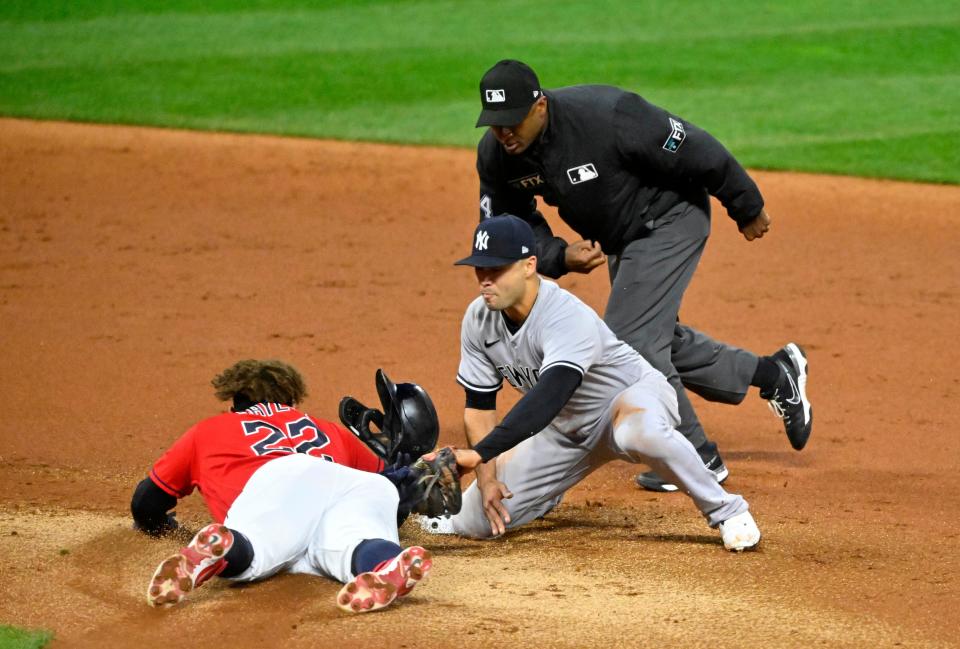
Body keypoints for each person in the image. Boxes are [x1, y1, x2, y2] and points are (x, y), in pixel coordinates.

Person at [472, 59, 812, 492]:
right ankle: (773, 374)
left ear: (540, 105)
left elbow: (693, 145)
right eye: (495, 123)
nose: (503, 133)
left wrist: (745, 203)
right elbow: (506, 225)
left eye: (512, 121)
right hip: (622, 238)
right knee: (651, 337)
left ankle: (695, 456)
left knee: (630, 339)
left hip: (670, 217)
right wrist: (558, 255)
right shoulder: (498, 155)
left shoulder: (606, 115)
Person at [423, 215, 760, 551]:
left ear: (529, 266)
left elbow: (550, 396)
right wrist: (487, 475)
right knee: (476, 523)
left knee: (641, 434)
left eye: (496, 270)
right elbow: (480, 407)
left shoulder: (564, 315)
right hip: (564, 430)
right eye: (479, 270)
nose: (485, 280)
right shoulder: (478, 319)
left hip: (627, 401)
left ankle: (728, 511)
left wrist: (479, 453)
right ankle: (543, 494)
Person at [130, 359, 433, 613]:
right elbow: (388, 496)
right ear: (290, 399)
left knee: (258, 550)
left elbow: (146, 504)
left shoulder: (208, 430)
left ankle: (222, 549)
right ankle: (387, 563)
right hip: (351, 483)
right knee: (355, 541)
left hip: (278, 483)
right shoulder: (328, 429)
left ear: (234, 401)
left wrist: (161, 525)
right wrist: (408, 482)